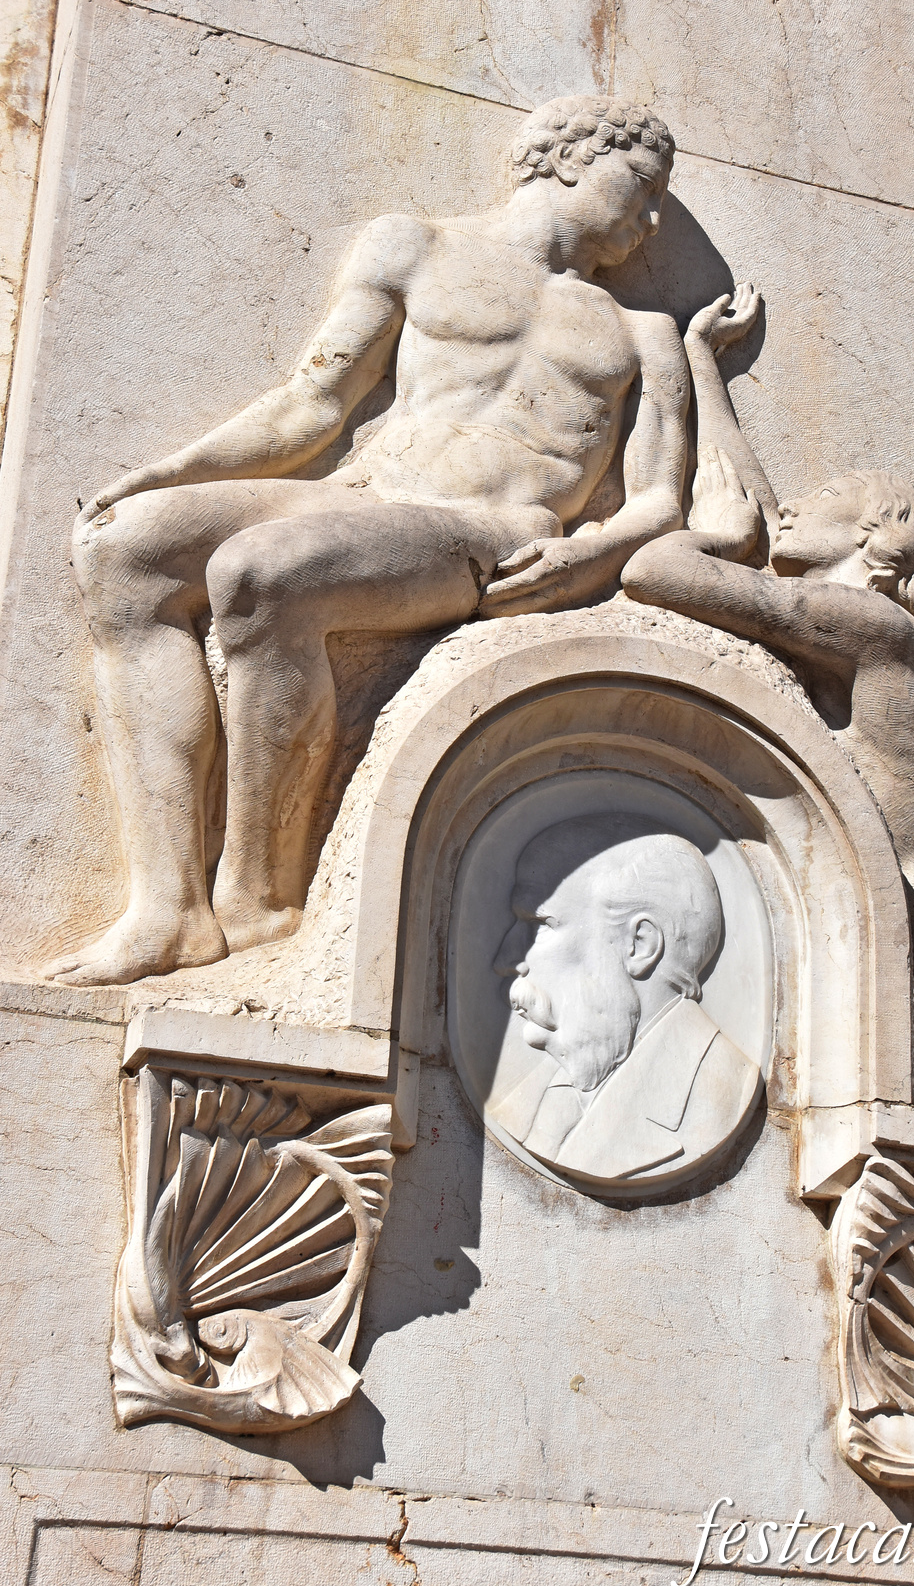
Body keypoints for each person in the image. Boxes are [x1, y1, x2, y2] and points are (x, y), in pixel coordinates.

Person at [51, 97, 755, 987]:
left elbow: (659, 501)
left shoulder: (640, 332)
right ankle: (167, 908)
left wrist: (591, 552)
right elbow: (314, 403)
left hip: (493, 532)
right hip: (369, 495)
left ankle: (258, 897)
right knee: (128, 549)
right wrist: (170, 474)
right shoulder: (414, 245)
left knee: (262, 573)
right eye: (642, 186)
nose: (652, 220)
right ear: (574, 159)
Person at [621, 295, 914, 1025]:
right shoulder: (847, 624)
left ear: (877, 544)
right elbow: (760, 510)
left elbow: (656, 572)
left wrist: (711, 538)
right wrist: (704, 361)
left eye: (825, 494)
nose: (795, 504)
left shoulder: (877, 625)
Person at [489, 814, 759, 1184]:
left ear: (640, 945)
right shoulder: (535, 1098)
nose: (505, 961)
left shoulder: (720, 1096)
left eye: (539, 926)